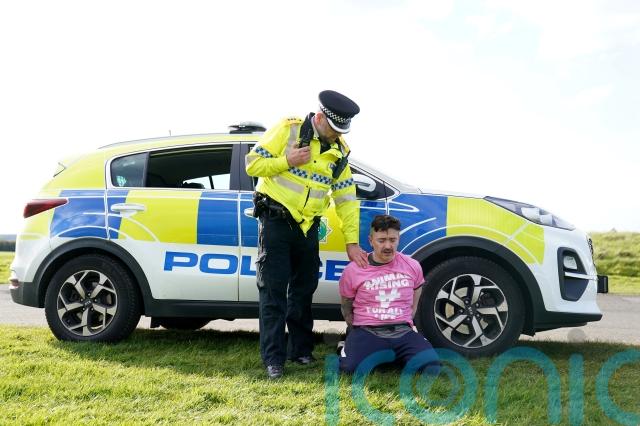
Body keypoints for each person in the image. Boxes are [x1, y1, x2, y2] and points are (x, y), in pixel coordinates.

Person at [246, 90, 368, 379]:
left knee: (303, 290)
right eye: (334, 129)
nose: (337, 135)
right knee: (273, 291)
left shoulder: (339, 151)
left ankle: (300, 351)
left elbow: (346, 199)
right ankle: (274, 360)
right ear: (320, 118)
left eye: (341, 131)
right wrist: (286, 161)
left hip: (308, 226)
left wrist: (351, 241)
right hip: (276, 219)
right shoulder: (288, 129)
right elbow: (252, 164)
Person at [338, 214, 440, 374]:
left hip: (402, 330)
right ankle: (349, 344)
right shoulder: (353, 270)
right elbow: (346, 306)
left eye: (392, 240)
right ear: (371, 241)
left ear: (398, 239)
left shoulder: (412, 266)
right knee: (349, 369)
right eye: (381, 240)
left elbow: (415, 300)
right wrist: (355, 330)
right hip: (368, 330)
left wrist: (404, 321)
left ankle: (395, 353)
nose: (388, 246)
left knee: (431, 367)